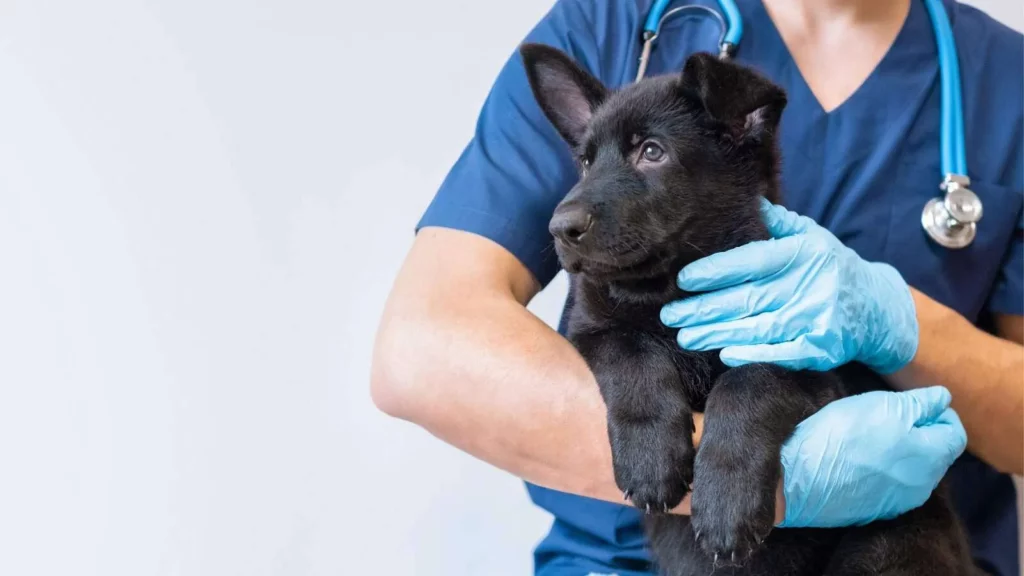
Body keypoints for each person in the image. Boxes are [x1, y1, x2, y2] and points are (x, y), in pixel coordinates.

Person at [370, 0, 1024, 574]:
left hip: (890, 551)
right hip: (623, 560)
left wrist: (899, 321)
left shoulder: (1004, 80)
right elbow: (420, 349)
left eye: (648, 152)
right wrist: (758, 476)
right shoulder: (615, 22)